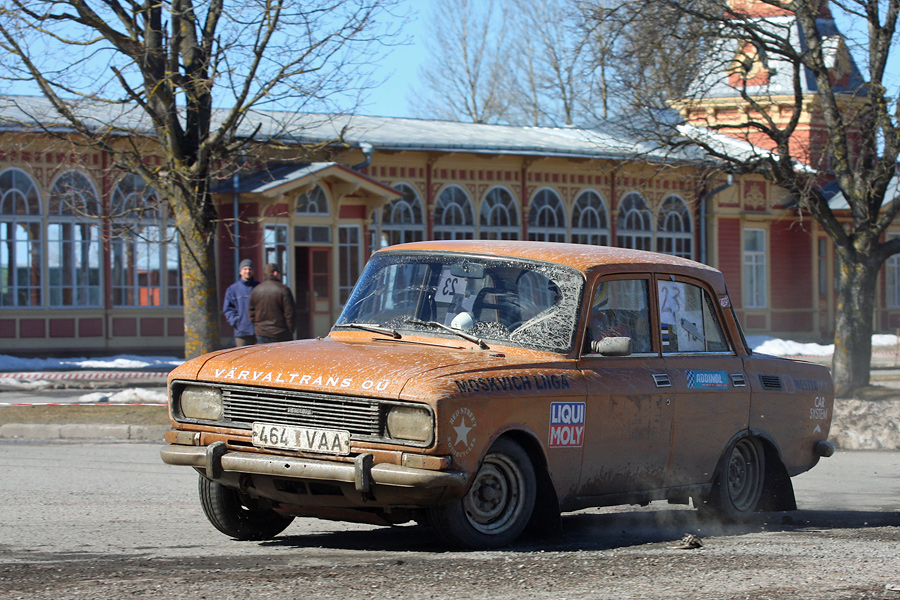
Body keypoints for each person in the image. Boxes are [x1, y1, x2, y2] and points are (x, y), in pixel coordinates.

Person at [249, 263, 296, 343]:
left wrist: (258, 325)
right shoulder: (284, 289)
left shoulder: (255, 290)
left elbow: (251, 312)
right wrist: (290, 330)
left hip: (261, 332)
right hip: (280, 332)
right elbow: (290, 313)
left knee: (264, 351)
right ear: (275, 273)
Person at [222, 258, 258, 346]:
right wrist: (236, 322)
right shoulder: (233, 289)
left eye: (250, 269)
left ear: (253, 271)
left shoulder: (259, 287)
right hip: (241, 332)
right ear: (240, 271)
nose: (247, 271)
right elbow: (228, 309)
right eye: (245, 269)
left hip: (258, 332)